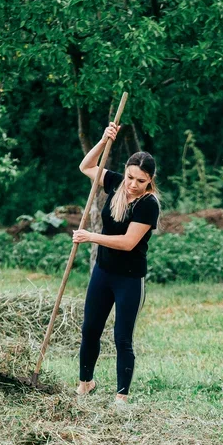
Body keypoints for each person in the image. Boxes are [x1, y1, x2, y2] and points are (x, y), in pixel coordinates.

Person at [72, 122, 160, 404]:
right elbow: (86, 166)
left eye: (140, 181)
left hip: (130, 279)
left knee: (122, 337)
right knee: (90, 330)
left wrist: (90, 237)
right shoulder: (116, 185)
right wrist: (103, 139)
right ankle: (86, 383)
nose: (133, 185)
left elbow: (128, 242)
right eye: (130, 177)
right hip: (103, 273)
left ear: (150, 181)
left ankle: (121, 398)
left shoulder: (149, 204)